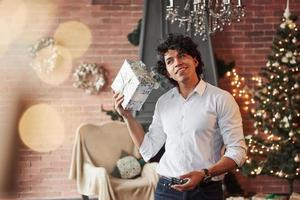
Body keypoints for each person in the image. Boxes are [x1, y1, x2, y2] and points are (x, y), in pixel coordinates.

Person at [113, 34, 247, 200]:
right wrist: (127, 116)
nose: (177, 62)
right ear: (168, 72)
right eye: (170, 61)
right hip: (166, 189)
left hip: (205, 190)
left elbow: (237, 151)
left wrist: (205, 173)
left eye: (182, 55)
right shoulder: (163, 103)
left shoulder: (221, 98)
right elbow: (148, 148)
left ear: (195, 61)